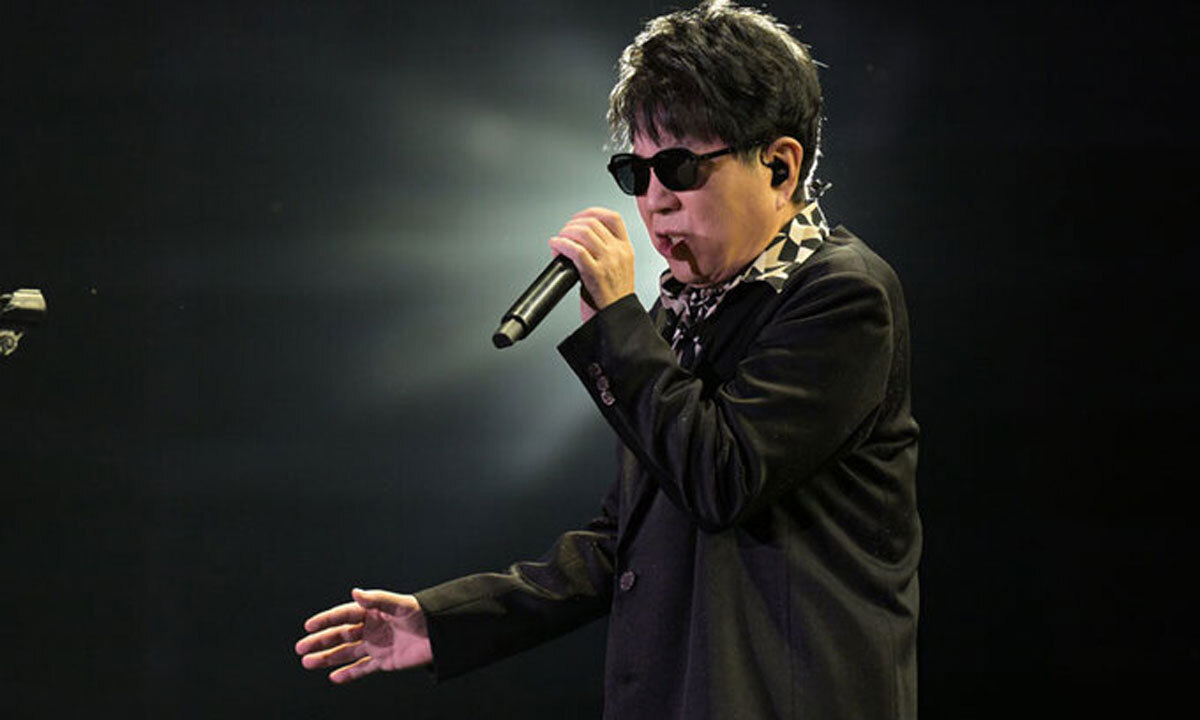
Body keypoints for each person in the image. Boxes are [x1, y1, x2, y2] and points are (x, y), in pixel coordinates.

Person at [295, 1, 920, 717]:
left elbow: (723, 478)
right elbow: (626, 542)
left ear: (779, 166)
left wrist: (619, 326)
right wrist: (445, 622)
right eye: (637, 172)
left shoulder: (841, 295)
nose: (655, 202)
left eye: (680, 167)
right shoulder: (676, 316)